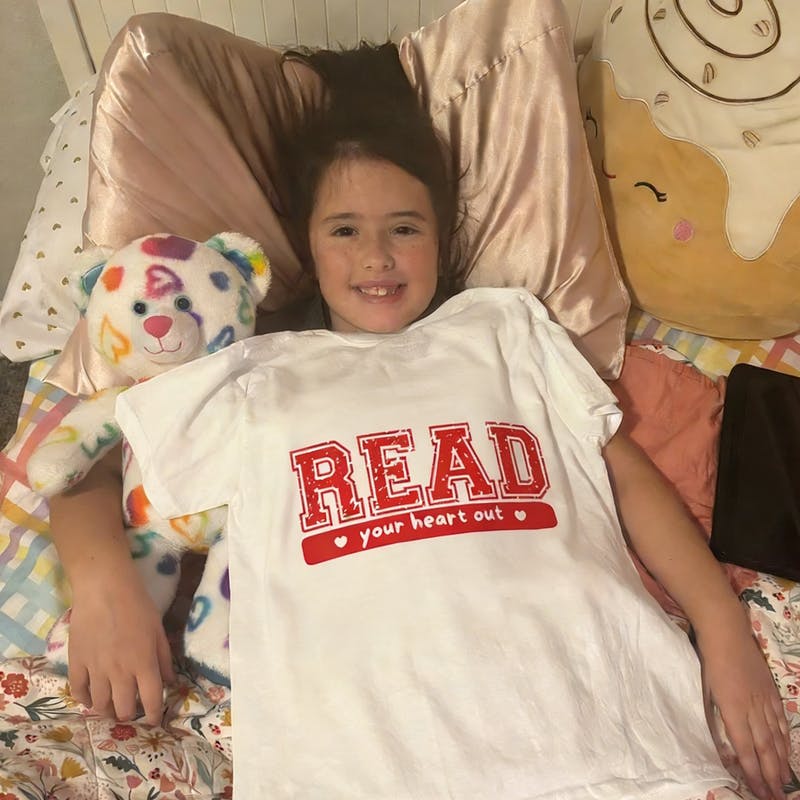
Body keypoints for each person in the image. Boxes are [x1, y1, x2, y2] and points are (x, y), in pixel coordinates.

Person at [47, 42, 789, 800]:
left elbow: (621, 476)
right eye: (344, 230)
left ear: (441, 237)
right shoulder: (261, 375)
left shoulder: (506, 329)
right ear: (306, 245)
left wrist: (722, 627)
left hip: (616, 746)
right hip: (368, 771)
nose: (376, 256)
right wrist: (106, 590)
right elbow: (87, 470)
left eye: (404, 228)